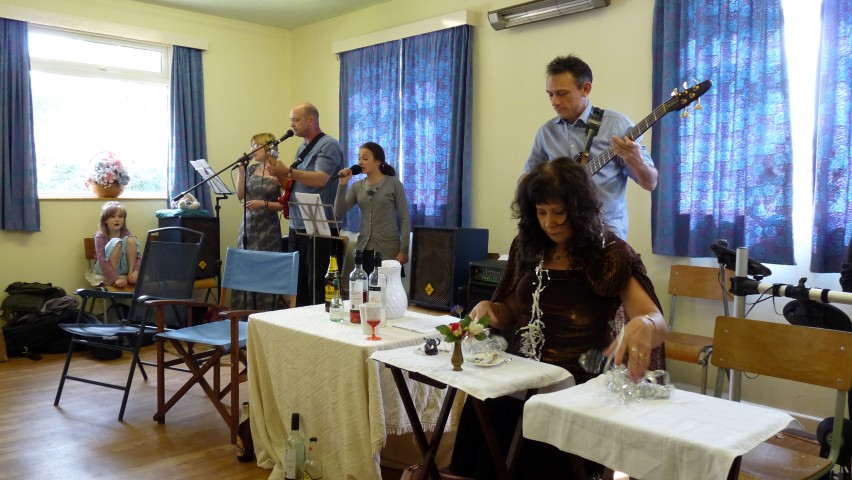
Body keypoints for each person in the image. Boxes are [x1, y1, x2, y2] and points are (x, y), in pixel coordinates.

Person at [447, 157, 667, 480]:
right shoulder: (528, 246)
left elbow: (655, 320)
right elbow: (508, 312)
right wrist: (489, 310)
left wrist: (645, 324)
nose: (549, 223)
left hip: (576, 385)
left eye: (559, 212)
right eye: (541, 212)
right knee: (484, 415)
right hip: (519, 378)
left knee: (538, 452)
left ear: (579, 209)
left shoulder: (609, 253)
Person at [526, 54, 658, 240]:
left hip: (606, 232)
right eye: (550, 94)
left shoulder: (617, 126)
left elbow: (650, 183)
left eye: (562, 93)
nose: (554, 102)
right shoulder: (546, 132)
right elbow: (527, 180)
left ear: (585, 89)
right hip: (560, 232)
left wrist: (638, 162)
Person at [268, 102, 344, 307]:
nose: (292, 124)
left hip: (320, 226)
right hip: (297, 223)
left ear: (311, 120)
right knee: (299, 283)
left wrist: (288, 171)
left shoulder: (328, 145)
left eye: (296, 119)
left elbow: (321, 179)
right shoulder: (302, 147)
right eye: (291, 120)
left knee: (318, 283)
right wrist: (280, 177)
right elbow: (296, 181)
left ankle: (321, 322)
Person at [334, 142, 411, 275]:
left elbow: (404, 218)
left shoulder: (394, 183)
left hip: (389, 249)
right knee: (364, 286)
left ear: (378, 161)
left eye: (365, 158)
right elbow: (338, 211)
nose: (360, 162)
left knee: (386, 287)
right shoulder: (357, 186)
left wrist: (404, 250)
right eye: (359, 158)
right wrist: (342, 184)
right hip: (364, 248)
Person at [232, 132, 285, 310]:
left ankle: (264, 313)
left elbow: (285, 205)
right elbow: (240, 195)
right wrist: (241, 172)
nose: (252, 149)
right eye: (251, 145)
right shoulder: (250, 169)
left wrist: (264, 203)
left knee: (265, 272)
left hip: (268, 231)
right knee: (246, 271)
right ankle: (243, 314)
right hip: (248, 227)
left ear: (267, 147)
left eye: (256, 145)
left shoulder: (278, 170)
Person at [93, 201, 142, 288]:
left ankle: (130, 274)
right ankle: (112, 277)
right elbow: (101, 260)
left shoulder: (126, 234)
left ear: (124, 220)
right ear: (105, 220)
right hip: (103, 268)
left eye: (120, 217)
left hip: (122, 267)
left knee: (131, 239)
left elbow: (138, 256)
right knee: (116, 242)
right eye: (112, 217)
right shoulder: (99, 237)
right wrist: (115, 278)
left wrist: (136, 271)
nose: (117, 219)